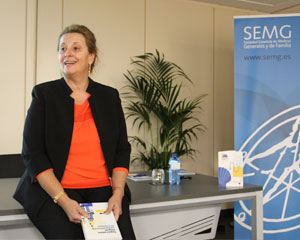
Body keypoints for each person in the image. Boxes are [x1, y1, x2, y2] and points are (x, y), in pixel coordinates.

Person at [13, 24, 136, 239]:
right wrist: (63, 200)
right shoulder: (44, 94)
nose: (67, 54)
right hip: (56, 191)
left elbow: (121, 149)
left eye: (76, 48)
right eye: (62, 49)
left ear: (91, 57)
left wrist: (118, 194)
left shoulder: (109, 96)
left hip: (104, 190)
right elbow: (33, 154)